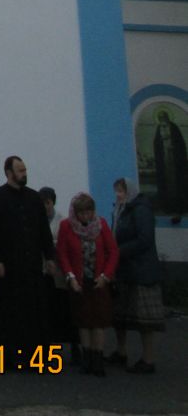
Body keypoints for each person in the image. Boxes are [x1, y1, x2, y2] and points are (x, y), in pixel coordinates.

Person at [0, 156, 56, 366]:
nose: (24, 173)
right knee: (10, 312)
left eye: (24, 170)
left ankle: (37, 356)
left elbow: (44, 230)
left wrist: (50, 257)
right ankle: (9, 357)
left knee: (34, 312)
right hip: (9, 266)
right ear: (9, 173)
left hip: (32, 264)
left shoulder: (34, 198)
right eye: (20, 170)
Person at [55, 192, 118, 376]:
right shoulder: (66, 226)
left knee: (98, 321)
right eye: (82, 213)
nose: (85, 216)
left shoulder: (101, 225)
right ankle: (87, 357)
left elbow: (113, 251)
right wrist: (70, 276)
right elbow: (62, 253)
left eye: (89, 212)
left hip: (98, 280)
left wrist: (106, 275)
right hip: (79, 281)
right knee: (83, 321)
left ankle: (98, 358)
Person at [109, 177, 165, 373]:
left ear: (129, 191)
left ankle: (148, 359)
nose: (118, 195)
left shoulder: (140, 209)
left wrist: (119, 251)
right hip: (123, 269)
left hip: (141, 269)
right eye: (116, 191)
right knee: (120, 313)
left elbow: (145, 239)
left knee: (144, 318)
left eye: (121, 191)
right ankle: (121, 351)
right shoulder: (121, 210)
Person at [39, 186, 79, 364]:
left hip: (60, 273)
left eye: (47, 202)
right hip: (44, 272)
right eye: (42, 203)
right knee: (48, 312)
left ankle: (75, 346)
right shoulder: (37, 220)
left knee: (65, 310)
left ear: (52, 202)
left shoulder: (63, 221)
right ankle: (50, 349)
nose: (45, 206)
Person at [153, 110, 188, 214]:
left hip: (174, 160)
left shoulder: (174, 127)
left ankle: (179, 206)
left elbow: (180, 143)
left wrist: (173, 147)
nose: (162, 119)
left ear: (167, 117)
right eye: (160, 117)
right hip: (164, 160)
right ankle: (166, 206)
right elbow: (156, 144)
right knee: (166, 183)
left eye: (163, 117)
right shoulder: (159, 128)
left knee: (177, 183)